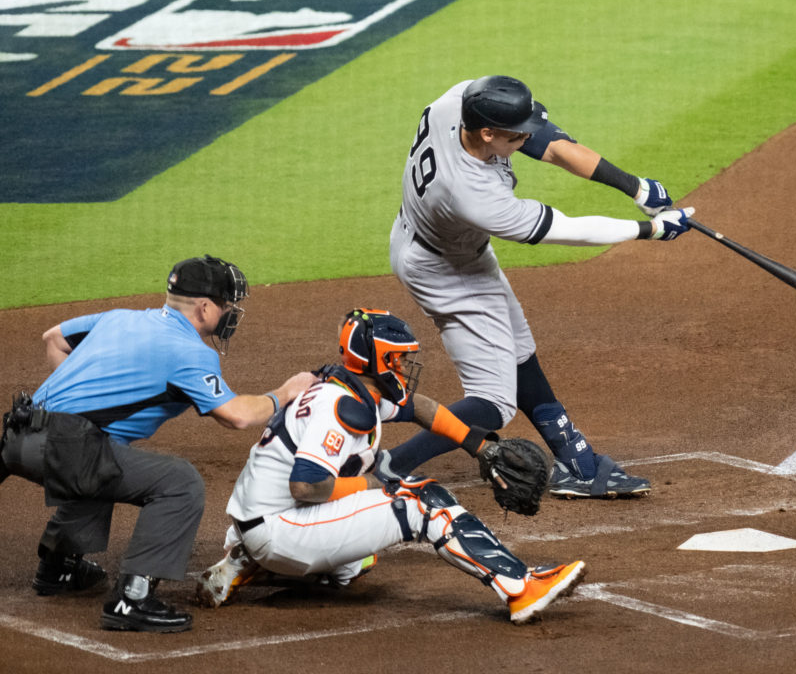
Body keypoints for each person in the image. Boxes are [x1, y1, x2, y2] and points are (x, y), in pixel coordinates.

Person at [388, 75, 693, 498]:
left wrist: (634, 186)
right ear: (488, 132)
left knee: (517, 347)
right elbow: (570, 229)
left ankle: (576, 463)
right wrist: (652, 228)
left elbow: (549, 142)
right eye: (517, 133)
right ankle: (390, 468)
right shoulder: (472, 193)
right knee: (493, 404)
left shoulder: (457, 101)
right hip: (447, 269)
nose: (528, 137)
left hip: (431, 240)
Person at [195, 308, 586, 625]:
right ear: (375, 359)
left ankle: (243, 562)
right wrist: (374, 483)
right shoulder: (341, 407)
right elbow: (306, 487)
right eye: (397, 358)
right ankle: (520, 588)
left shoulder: (351, 385)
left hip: (258, 523)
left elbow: (420, 408)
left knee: (357, 562)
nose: (403, 366)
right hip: (282, 525)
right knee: (420, 500)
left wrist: (479, 447)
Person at [0, 255, 318, 633]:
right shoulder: (191, 352)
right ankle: (132, 599)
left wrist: (80, 413)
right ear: (204, 308)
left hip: (16, 435)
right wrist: (285, 391)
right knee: (180, 483)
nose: (232, 312)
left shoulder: (122, 317)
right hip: (64, 448)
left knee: (104, 456)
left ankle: (59, 567)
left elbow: (53, 338)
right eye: (228, 305)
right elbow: (236, 414)